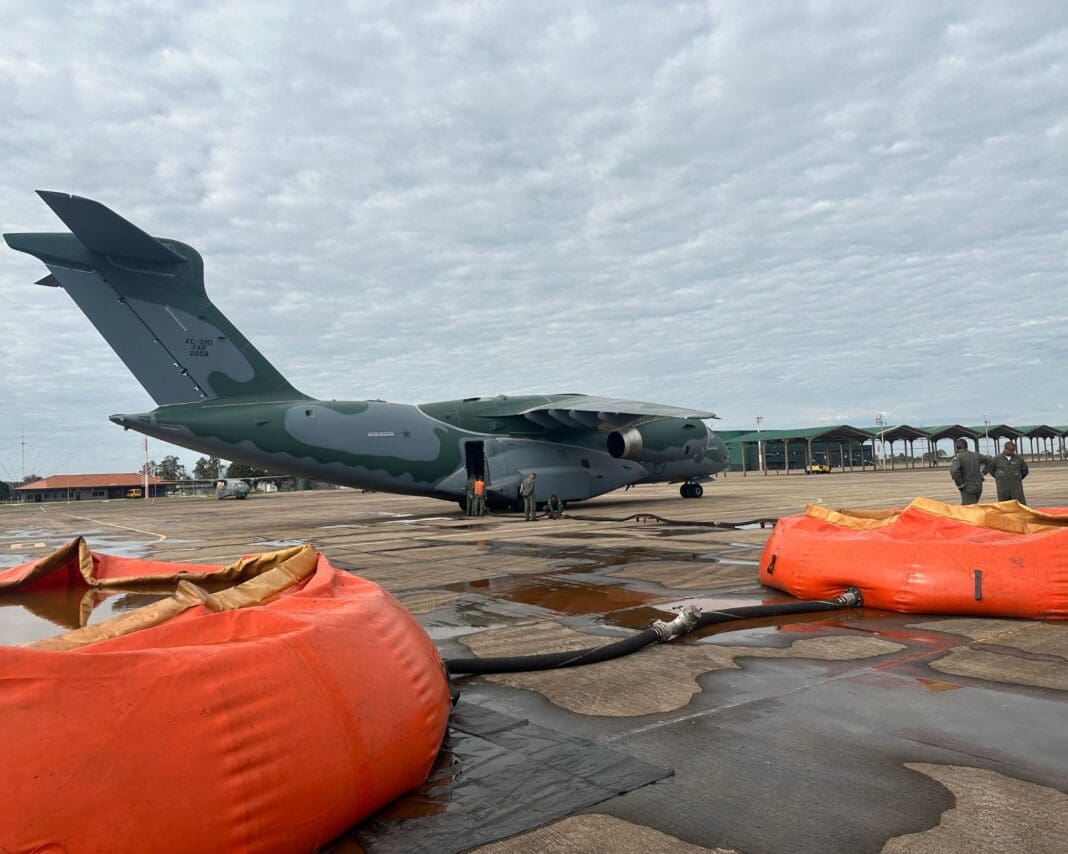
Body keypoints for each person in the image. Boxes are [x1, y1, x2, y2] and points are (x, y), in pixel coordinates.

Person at [949, 438, 992, 505]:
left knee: (969, 509)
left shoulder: (958, 458)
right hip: (978, 486)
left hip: (967, 487)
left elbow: (954, 471)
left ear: (957, 448)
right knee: (973, 505)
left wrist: (960, 484)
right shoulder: (976, 455)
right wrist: (983, 473)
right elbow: (991, 461)